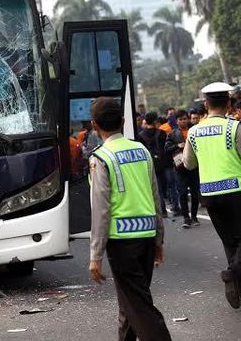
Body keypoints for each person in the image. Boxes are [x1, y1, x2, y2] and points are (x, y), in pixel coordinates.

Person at [88, 98, 170, 341]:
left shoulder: (100, 158)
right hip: (146, 237)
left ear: (94, 126)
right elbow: (156, 197)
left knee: (139, 306)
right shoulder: (142, 150)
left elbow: (101, 211)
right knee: (130, 304)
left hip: (121, 242)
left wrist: (95, 255)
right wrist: (158, 239)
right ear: (124, 121)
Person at [183, 82, 241, 309]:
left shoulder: (194, 131)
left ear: (206, 105)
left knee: (229, 240)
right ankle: (231, 273)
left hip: (208, 193)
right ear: (228, 104)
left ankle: (236, 284)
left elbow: (188, 164)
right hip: (236, 190)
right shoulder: (234, 127)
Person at [139, 112, 179, 217]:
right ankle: (176, 207)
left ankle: (162, 211)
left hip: (152, 165)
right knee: (172, 186)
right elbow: (167, 148)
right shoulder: (161, 133)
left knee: (158, 189)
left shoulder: (140, 136)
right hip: (166, 163)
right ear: (155, 121)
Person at [165, 110, 200, 228]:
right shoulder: (172, 134)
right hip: (179, 168)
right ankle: (186, 218)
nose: (183, 121)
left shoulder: (194, 131)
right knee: (182, 193)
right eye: (180, 119)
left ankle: (194, 217)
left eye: (185, 118)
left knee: (195, 193)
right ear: (176, 121)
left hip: (194, 166)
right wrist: (177, 146)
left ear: (188, 119)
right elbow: (166, 148)